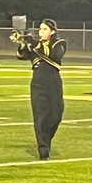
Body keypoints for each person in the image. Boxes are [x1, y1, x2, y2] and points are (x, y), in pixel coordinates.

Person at [16, 18, 66, 160]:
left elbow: (53, 55)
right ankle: (43, 149)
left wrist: (33, 42)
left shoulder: (59, 43)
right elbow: (22, 56)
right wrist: (22, 43)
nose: (41, 31)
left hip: (54, 83)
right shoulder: (36, 45)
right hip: (38, 83)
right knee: (40, 117)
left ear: (53, 32)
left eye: (44, 29)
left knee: (56, 116)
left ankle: (46, 139)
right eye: (40, 29)